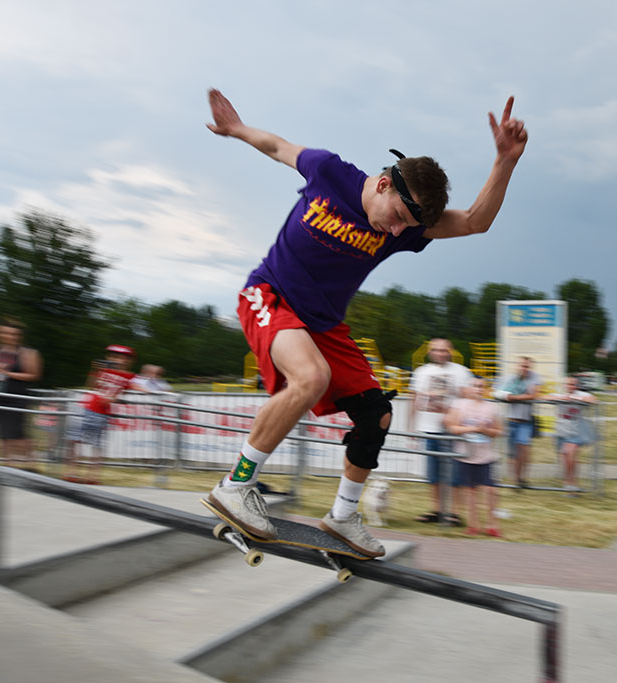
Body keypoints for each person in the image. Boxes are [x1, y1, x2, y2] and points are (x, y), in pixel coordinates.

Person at [202, 88, 527, 558]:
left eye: (405, 228)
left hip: (323, 325)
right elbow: (277, 147)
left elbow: (476, 221)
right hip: (269, 296)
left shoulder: (405, 227)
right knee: (311, 377)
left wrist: (506, 161)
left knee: (377, 415)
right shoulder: (328, 170)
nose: (395, 232)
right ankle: (235, 485)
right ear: (383, 185)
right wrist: (236, 129)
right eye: (396, 217)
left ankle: (342, 517)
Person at [408, 338, 473, 525]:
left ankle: (454, 513)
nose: (440, 353)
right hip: (429, 428)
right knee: (433, 474)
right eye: (436, 350)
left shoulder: (461, 372)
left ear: (450, 351)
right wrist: (410, 426)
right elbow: (414, 399)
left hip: (452, 430)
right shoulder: (421, 372)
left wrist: (456, 418)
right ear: (430, 352)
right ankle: (437, 510)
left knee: (454, 474)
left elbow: (467, 400)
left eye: (444, 350)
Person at [64, 345, 147, 484]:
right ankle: (72, 472)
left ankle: (93, 476)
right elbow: (91, 385)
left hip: (101, 412)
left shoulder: (131, 377)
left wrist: (115, 399)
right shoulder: (103, 370)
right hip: (85, 406)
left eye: (121, 357)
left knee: (96, 444)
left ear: (129, 361)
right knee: (75, 440)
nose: (116, 360)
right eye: (113, 356)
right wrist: (94, 370)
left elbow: (141, 388)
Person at [444, 376, 503, 536]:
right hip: (465, 454)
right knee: (470, 491)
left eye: (481, 386)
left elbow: (498, 431)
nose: (478, 389)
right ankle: (473, 524)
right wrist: (473, 429)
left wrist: (485, 430)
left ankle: (492, 525)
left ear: (485, 389)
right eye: (475, 386)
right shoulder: (459, 405)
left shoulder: (492, 407)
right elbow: (452, 428)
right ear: (469, 389)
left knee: (490, 490)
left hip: (486, 455)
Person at [0, 318, 43, 468]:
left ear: (19, 336)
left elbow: (34, 375)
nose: (9, 336)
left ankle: (30, 465)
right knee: (3, 435)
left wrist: (7, 373)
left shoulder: (28, 353)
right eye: (5, 333)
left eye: (13, 334)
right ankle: (8, 465)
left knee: (18, 434)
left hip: (18, 398)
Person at [494, 356, 541, 488]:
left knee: (523, 449)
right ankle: (515, 479)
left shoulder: (534, 378)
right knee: (513, 453)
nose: (524, 368)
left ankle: (522, 478)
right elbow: (496, 393)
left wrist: (513, 397)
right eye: (522, 365)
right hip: (511, 420)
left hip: (525, 421)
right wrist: (510, 396)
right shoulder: (509, 379)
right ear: (517, 366)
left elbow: (533, 395)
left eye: (527, 366)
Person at [546, 375, 598, 494]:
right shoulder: (560, 395)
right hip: (562, 431)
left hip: (576, 430)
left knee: (570, 452)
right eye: (568, 384)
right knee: (565, 457)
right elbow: (543, 397)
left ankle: (573, 483)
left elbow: (594, 399)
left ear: (577, 386)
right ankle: (568, 482)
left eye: (573, 384)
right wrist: (561, 399)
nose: (570, 386)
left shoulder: (580, 394)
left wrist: (576, 399)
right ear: (564, 385)